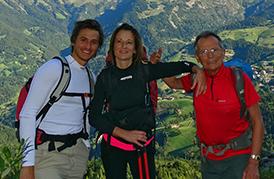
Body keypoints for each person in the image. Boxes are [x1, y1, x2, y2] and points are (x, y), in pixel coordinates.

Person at [89, 23, 206, 179]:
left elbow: (175, 67)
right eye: (119, 41)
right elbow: (94, 116)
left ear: (136, 48)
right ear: (113, 47)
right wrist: (125, 134)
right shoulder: (105, 78)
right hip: (113, 147)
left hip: (141, 148)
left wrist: (196, 69)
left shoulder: (144, 70)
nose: (124, 46)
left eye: (129, 42)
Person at [162, 31, 264, 179]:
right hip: (208, 160)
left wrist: (253, 162)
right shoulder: (196, 80)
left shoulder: (238, 80)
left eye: (214, 50)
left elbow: (258, 123)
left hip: (238, 157)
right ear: (197, 58)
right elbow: (171, 82)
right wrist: (157, 65)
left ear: (223, 52)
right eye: (204, 52)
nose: (210, 55)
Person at [19, 19, 105, 179]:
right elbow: (27, 114)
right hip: (48, 153)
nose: (88, 46)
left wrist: (85, 145)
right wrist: (27, 164)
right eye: (83, 40)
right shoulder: (54, 68)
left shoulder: (91, 78)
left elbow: (84, 113)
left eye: (94, 42)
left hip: (77, 155)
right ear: (73, 41)